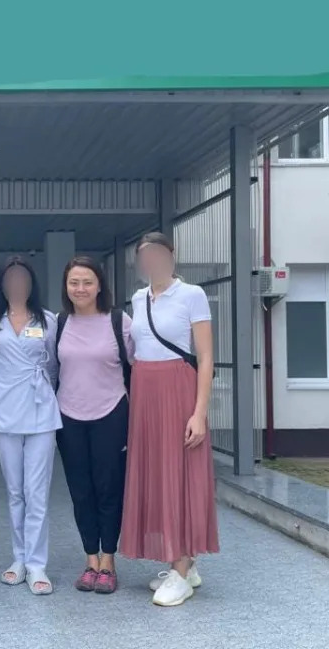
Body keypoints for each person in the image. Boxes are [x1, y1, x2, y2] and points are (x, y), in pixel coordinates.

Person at [120, 231, 219, 607]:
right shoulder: (138, 298)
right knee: (157, 475)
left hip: (178, 389)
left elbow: (205, 357)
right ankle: (183, 564)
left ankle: (181, 568)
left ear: (172, 256)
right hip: (145, 390)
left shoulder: (191, 294)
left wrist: (199, 412)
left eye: (159, 254)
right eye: (145, 256)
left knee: (181, 475)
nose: (152, 262)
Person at [0, 256, 60, 595]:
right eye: (10, 278)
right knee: (15, 491)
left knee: (36, 491)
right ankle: (19, 558)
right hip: (4, 410)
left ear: (31, 283)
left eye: (23, 278)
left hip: (41, 410)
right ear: (1, 284)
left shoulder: (48, 319)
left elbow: (55, 364)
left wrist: (46, 392)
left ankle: (37, 564)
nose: (17, 284)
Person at [54, 256, 133, 596]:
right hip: (68, 417)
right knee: (80, 491)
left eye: (87, 282)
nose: (81, 288)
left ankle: (109, 561)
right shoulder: (59, 322)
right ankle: (90, 560)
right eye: (74, 282)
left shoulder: (119, 321)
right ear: (66, 287)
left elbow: (136, 368)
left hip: (111, 414)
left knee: (108, 489)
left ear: (100, 285)